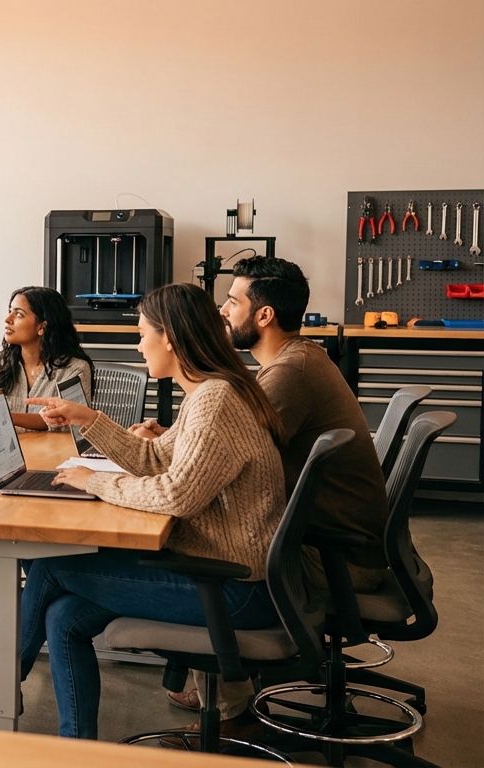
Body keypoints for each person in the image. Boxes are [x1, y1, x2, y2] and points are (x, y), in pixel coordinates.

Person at [0, 282, 286, 741]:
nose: (138, 344)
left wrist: (93, 481)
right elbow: (155, 460)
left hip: (234, 586)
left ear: (170, 339)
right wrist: (89, 420)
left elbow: (176, 496)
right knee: (63, 618)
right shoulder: (210, 392)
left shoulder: (214, 400)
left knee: (51, 569)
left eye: (142, 334)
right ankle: (76, 744)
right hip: (227, 572)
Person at [138, 256, 389, 726]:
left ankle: (228, 706)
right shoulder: (298, 357)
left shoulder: (287, 375)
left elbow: (222, 459)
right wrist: (175, 435)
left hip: (334, 555)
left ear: (264, 315)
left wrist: (165, 445)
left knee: (203, 538)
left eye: (232, 302)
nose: (222, 312)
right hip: (335, 538)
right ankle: (220, 689)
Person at [0, 287, 93, 633]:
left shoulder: (73, 367)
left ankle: (19, 595)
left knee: (25, 519)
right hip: (2, 458)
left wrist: (0, 414)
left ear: (43, 326)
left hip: (54, 465)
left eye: (19, 314)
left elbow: (58, 419)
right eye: (9, 312)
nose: (8, 320)